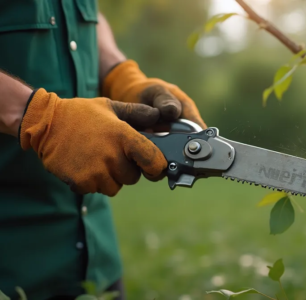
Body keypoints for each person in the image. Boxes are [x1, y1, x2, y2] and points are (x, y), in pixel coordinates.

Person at [0, 1, 205, 299]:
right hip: (12, 267)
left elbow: (78, 15)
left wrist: (120, 74)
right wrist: (42, 119)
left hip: (96, 258)